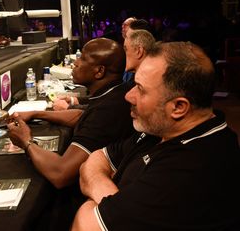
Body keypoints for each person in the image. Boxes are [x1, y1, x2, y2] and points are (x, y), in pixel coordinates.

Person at [71, 41, 240, 230]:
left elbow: (85, 223)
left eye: (140, 89)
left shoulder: (191, 168)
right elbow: (95, 159)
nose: (129, 96)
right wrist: (113, 202)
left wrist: (96, 203)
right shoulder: (161, 128)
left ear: (178, 107)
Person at [7, 37, 134, 190]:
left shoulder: (108, 110)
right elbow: (81, 116)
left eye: (83, 58)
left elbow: (61, 173)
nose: (76, 62)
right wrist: (35, 113)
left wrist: (26, 142)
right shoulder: (113, 93)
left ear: (99, 71)